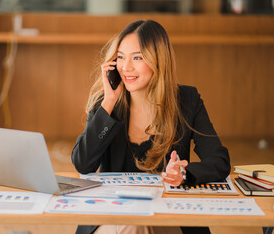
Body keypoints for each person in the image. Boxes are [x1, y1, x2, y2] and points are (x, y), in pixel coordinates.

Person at [71, 20, 231, 234]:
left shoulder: (187, 100)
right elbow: (82, 163)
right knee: (134, 225)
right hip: (115, 214)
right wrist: (108, 103)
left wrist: (183, 173)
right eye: (120, 57)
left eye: (137, 57)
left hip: (168, 214)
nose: (126, 67)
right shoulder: (108, 104)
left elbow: (219, 161)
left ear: (159, 60)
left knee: (138, 226)